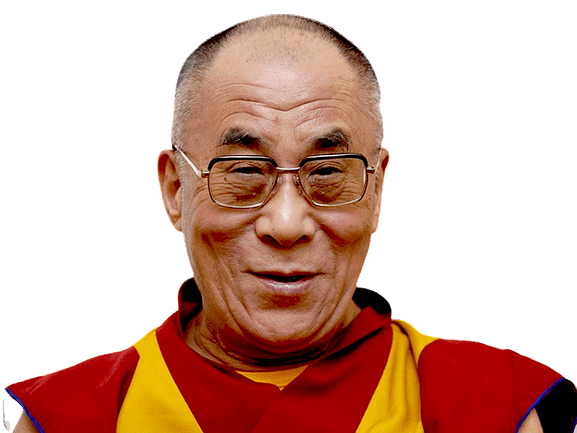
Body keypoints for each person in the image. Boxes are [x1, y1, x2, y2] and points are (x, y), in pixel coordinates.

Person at [5, 14, 576, 433]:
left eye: (327, 173)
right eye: (243, 171)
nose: (285, 223)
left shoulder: (488, 407)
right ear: (175, 190)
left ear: (377, 191)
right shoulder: (70, 416)